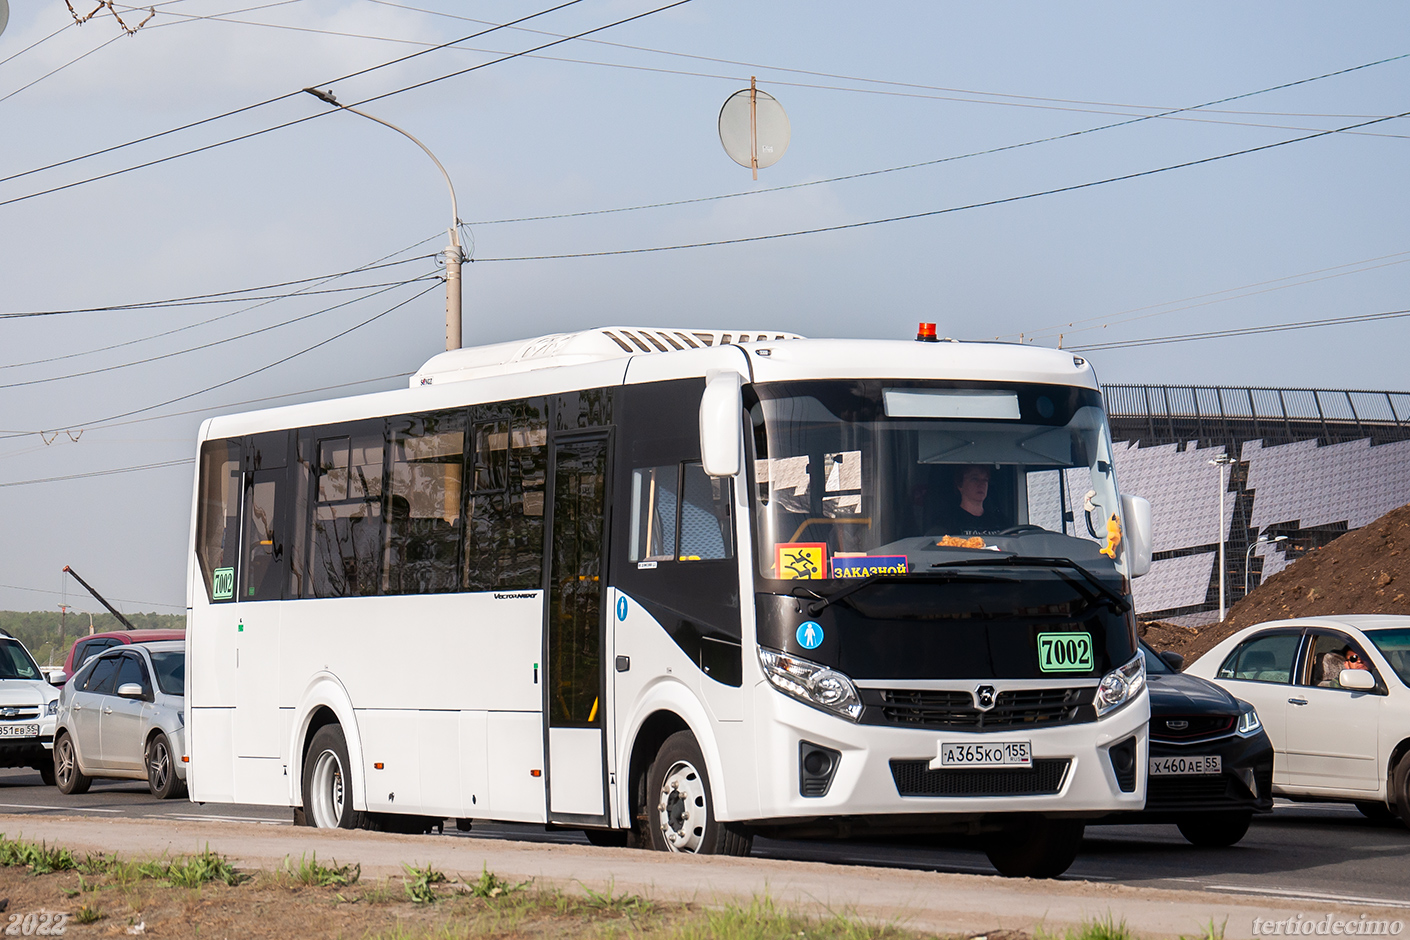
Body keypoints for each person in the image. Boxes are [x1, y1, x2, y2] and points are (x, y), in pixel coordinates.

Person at [933, 464, 1008, 536]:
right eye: (975, 479)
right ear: (960, 485)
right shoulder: (947, 522)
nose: (981, 484)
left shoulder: (1000, 521)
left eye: (985, 480)